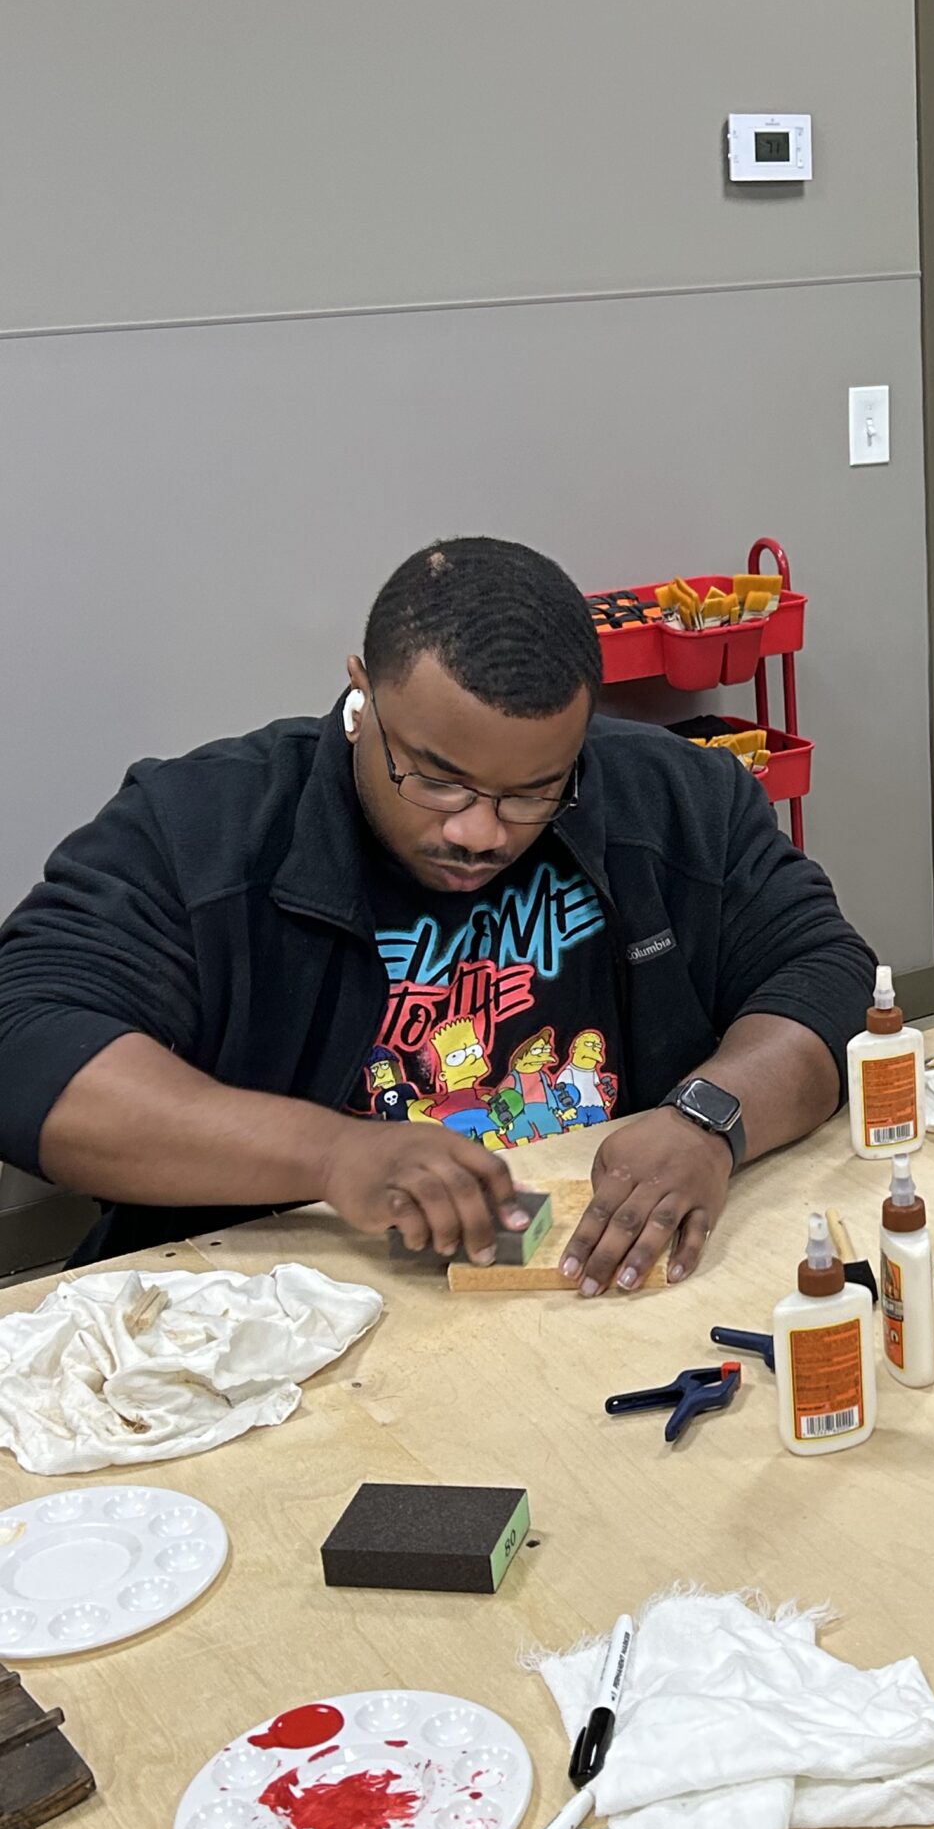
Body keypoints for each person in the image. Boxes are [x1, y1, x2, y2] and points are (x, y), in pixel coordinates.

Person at [0, 537, 875, 1293]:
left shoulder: (674, 795)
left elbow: (828, 975)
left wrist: (709, 1120)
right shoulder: (202, 828)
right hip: (273, 1313)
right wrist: (331, 1155)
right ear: (361, 700)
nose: (478, 831)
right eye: (435, 777)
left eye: (534, 792)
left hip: (593, 1289)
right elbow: (24, 1041)